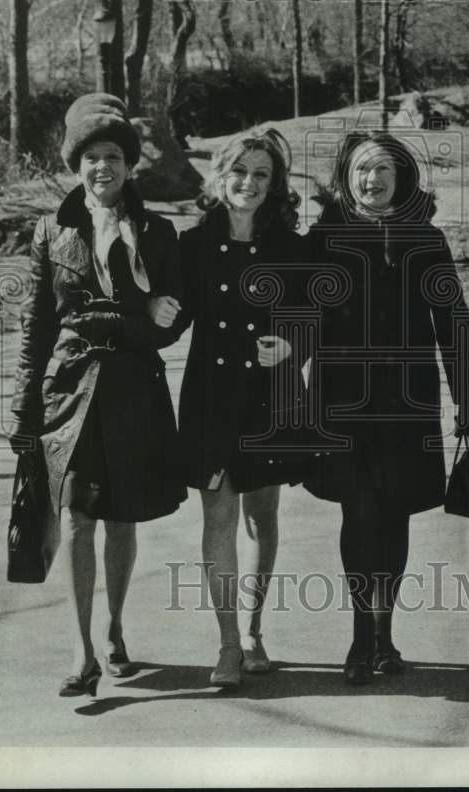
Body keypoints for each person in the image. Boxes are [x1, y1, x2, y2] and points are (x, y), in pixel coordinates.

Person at [9, 93, 187, 697]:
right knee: (77, 517)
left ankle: (114, 630)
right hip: (70, 392)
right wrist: (23, 411)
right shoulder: (49, 230)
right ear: (75, 164)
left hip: (134, 391)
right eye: (91, 157)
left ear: (130, 165)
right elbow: (37, 327)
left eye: (113, 155)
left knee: (121, 517)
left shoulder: (159, 233)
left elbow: (174, 316)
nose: (102, 167)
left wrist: (148, 314)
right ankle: (82, 651)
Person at [304, 131, 469, 684]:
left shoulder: (425, 240)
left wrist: (468, 397)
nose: (372, 180)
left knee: (395, 512)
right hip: (341, 400)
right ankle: (361, 638)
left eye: (384, 170)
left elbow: (452, 320)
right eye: (361, 169)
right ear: (346, 177)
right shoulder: (323, 238)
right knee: (359, 511)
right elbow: (298, 321)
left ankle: (385, 636)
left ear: (402, 178)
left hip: (409, 399)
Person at [175, 128, 306, 687]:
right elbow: (171, 318)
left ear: (273, 186)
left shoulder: (291, 247)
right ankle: (228, 643)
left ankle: (254, 629)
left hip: (269, 400)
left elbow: (314, 320)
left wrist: (294, 345)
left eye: (261, 175)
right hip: (210, 398)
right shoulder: (191, 244)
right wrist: (155, 309)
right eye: (239, 172)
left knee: (262, 516)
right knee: (219, 516)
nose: (248, 183)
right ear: (220, 176)